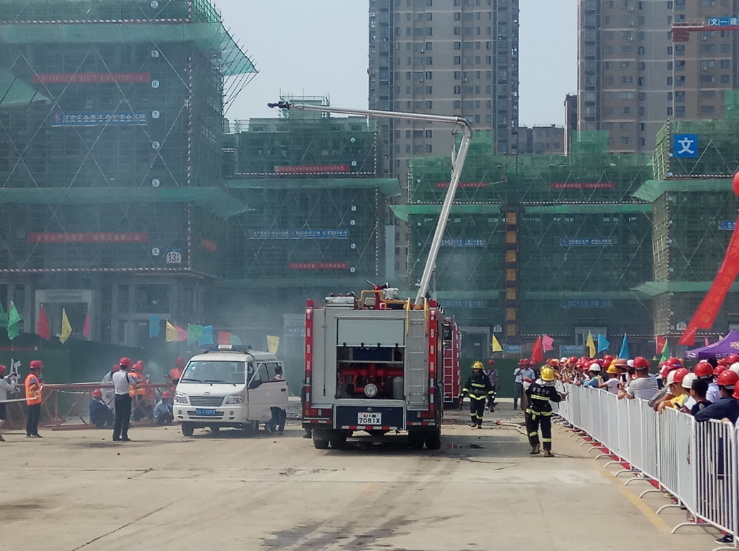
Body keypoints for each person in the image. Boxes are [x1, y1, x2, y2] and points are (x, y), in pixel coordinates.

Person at [525, 366, 563, 457]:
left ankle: (535, 446)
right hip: (545, 412)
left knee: (532, 429)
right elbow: (556, 398)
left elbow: (527, 392)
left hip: (534, 411)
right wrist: (562, 396)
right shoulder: (551, 388)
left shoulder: (534, 385)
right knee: (546, 430)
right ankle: (547, 450)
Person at [461, 361, 495, 428]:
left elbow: (489, 388)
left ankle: (479, 424)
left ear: (480, 370)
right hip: (473, 396)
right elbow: (467, 387)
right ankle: (474, 422)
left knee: (480, 411)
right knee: (473, 410)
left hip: (482, 396)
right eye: (475, 369)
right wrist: (462, 395)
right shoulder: (471, 377)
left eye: (477, 369)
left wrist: (491, 397)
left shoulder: (485, 378)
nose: (476, 370)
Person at [112, 358, 136, 442]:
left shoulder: (115, 375)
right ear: (127, 366)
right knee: (126, 417)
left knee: (118, 417)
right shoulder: (127, 375)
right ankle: (124, 435)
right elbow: (134, 385)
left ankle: (115, 435)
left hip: (117, 397)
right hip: (125, 397)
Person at [25, 360, 44, 438]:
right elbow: (32, 387)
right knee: (34, 417)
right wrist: (35, 395)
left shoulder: (30, 377)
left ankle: (29, 432)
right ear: (37, 369)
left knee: (30, 417)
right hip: (34, 401)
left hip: (31, 400)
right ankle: (33, 432)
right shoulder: (32, 377)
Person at [0, 364, 18, 442]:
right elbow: (11, 388)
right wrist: (13, 380)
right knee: (2, 419)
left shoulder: (2, 380)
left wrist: (8, 376)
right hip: (1, 402)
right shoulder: (2, 382)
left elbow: (3, 379)